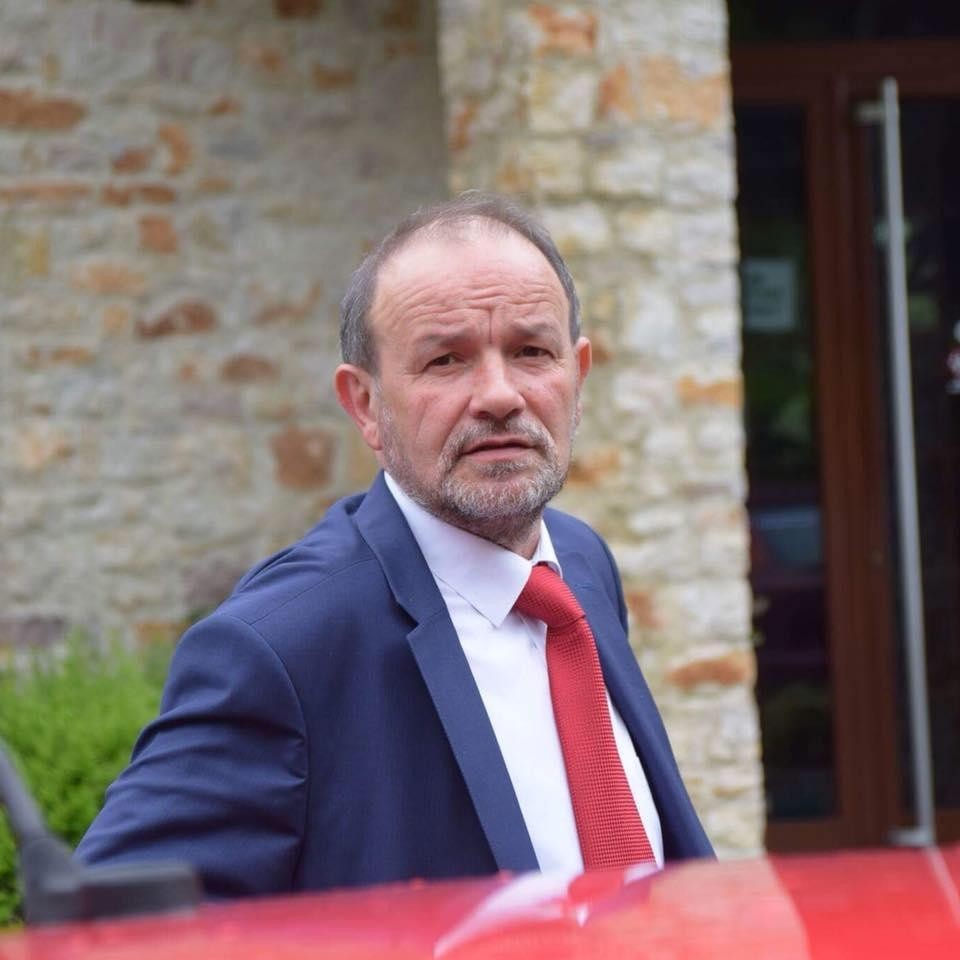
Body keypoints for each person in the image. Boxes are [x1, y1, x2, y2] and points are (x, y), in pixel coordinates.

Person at [77, 193, 713, 898]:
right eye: (446, 360)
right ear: (365, 405)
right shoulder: (281, 650)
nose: (499, 394)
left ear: (578, 376)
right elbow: (108, 925)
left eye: (532, 351)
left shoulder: (581, 565)